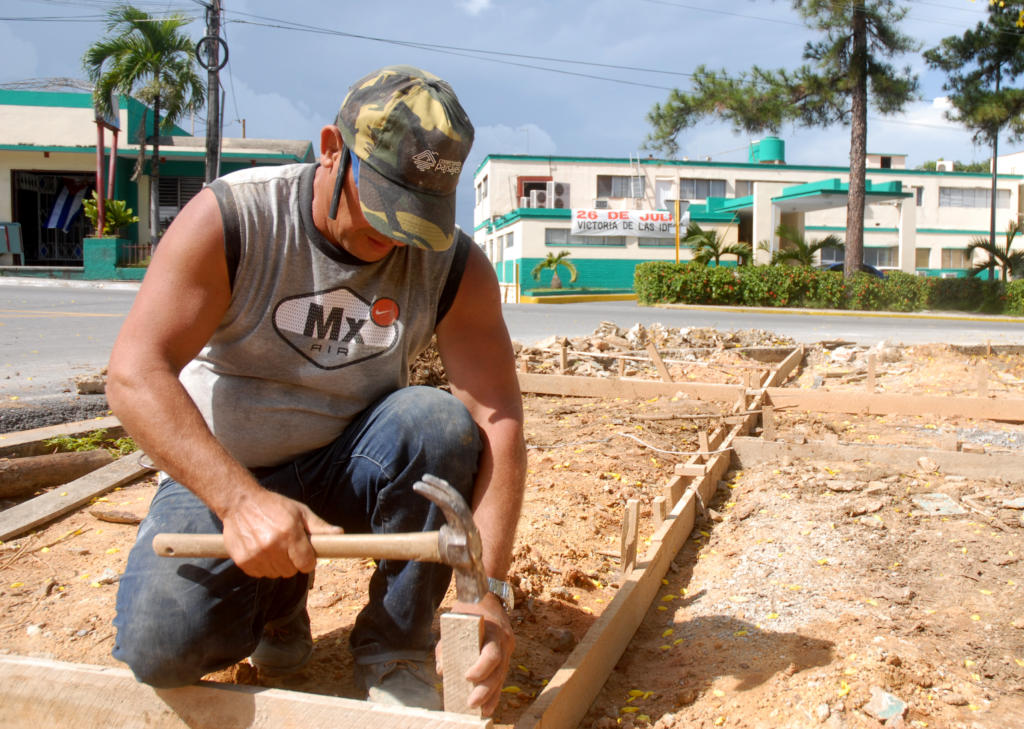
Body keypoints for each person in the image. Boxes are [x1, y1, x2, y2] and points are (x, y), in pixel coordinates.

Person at [106, 65, 526, 717]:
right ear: (332, 149)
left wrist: (488, 588)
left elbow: (496, 416)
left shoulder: (453, 265)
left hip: (350, 463)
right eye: (383, 203)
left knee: (438, 423)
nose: (392, 235)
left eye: (416, 215)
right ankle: (277, 605)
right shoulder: (234, 218)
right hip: (229, 464)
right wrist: (240, 500)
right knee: (161, 647)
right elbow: (135, 371)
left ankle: (398, 644)